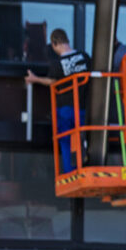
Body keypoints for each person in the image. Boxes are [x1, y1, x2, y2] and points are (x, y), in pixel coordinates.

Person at [25, 28, 91, 174]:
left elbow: (51, 81)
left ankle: (70, 172)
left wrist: (34, 79)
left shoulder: (57, 64)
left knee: (65, 141)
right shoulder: (84, 56)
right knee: (83, 139)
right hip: (83, 108)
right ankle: (84, 168)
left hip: (65, 110)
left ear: (55, 43)